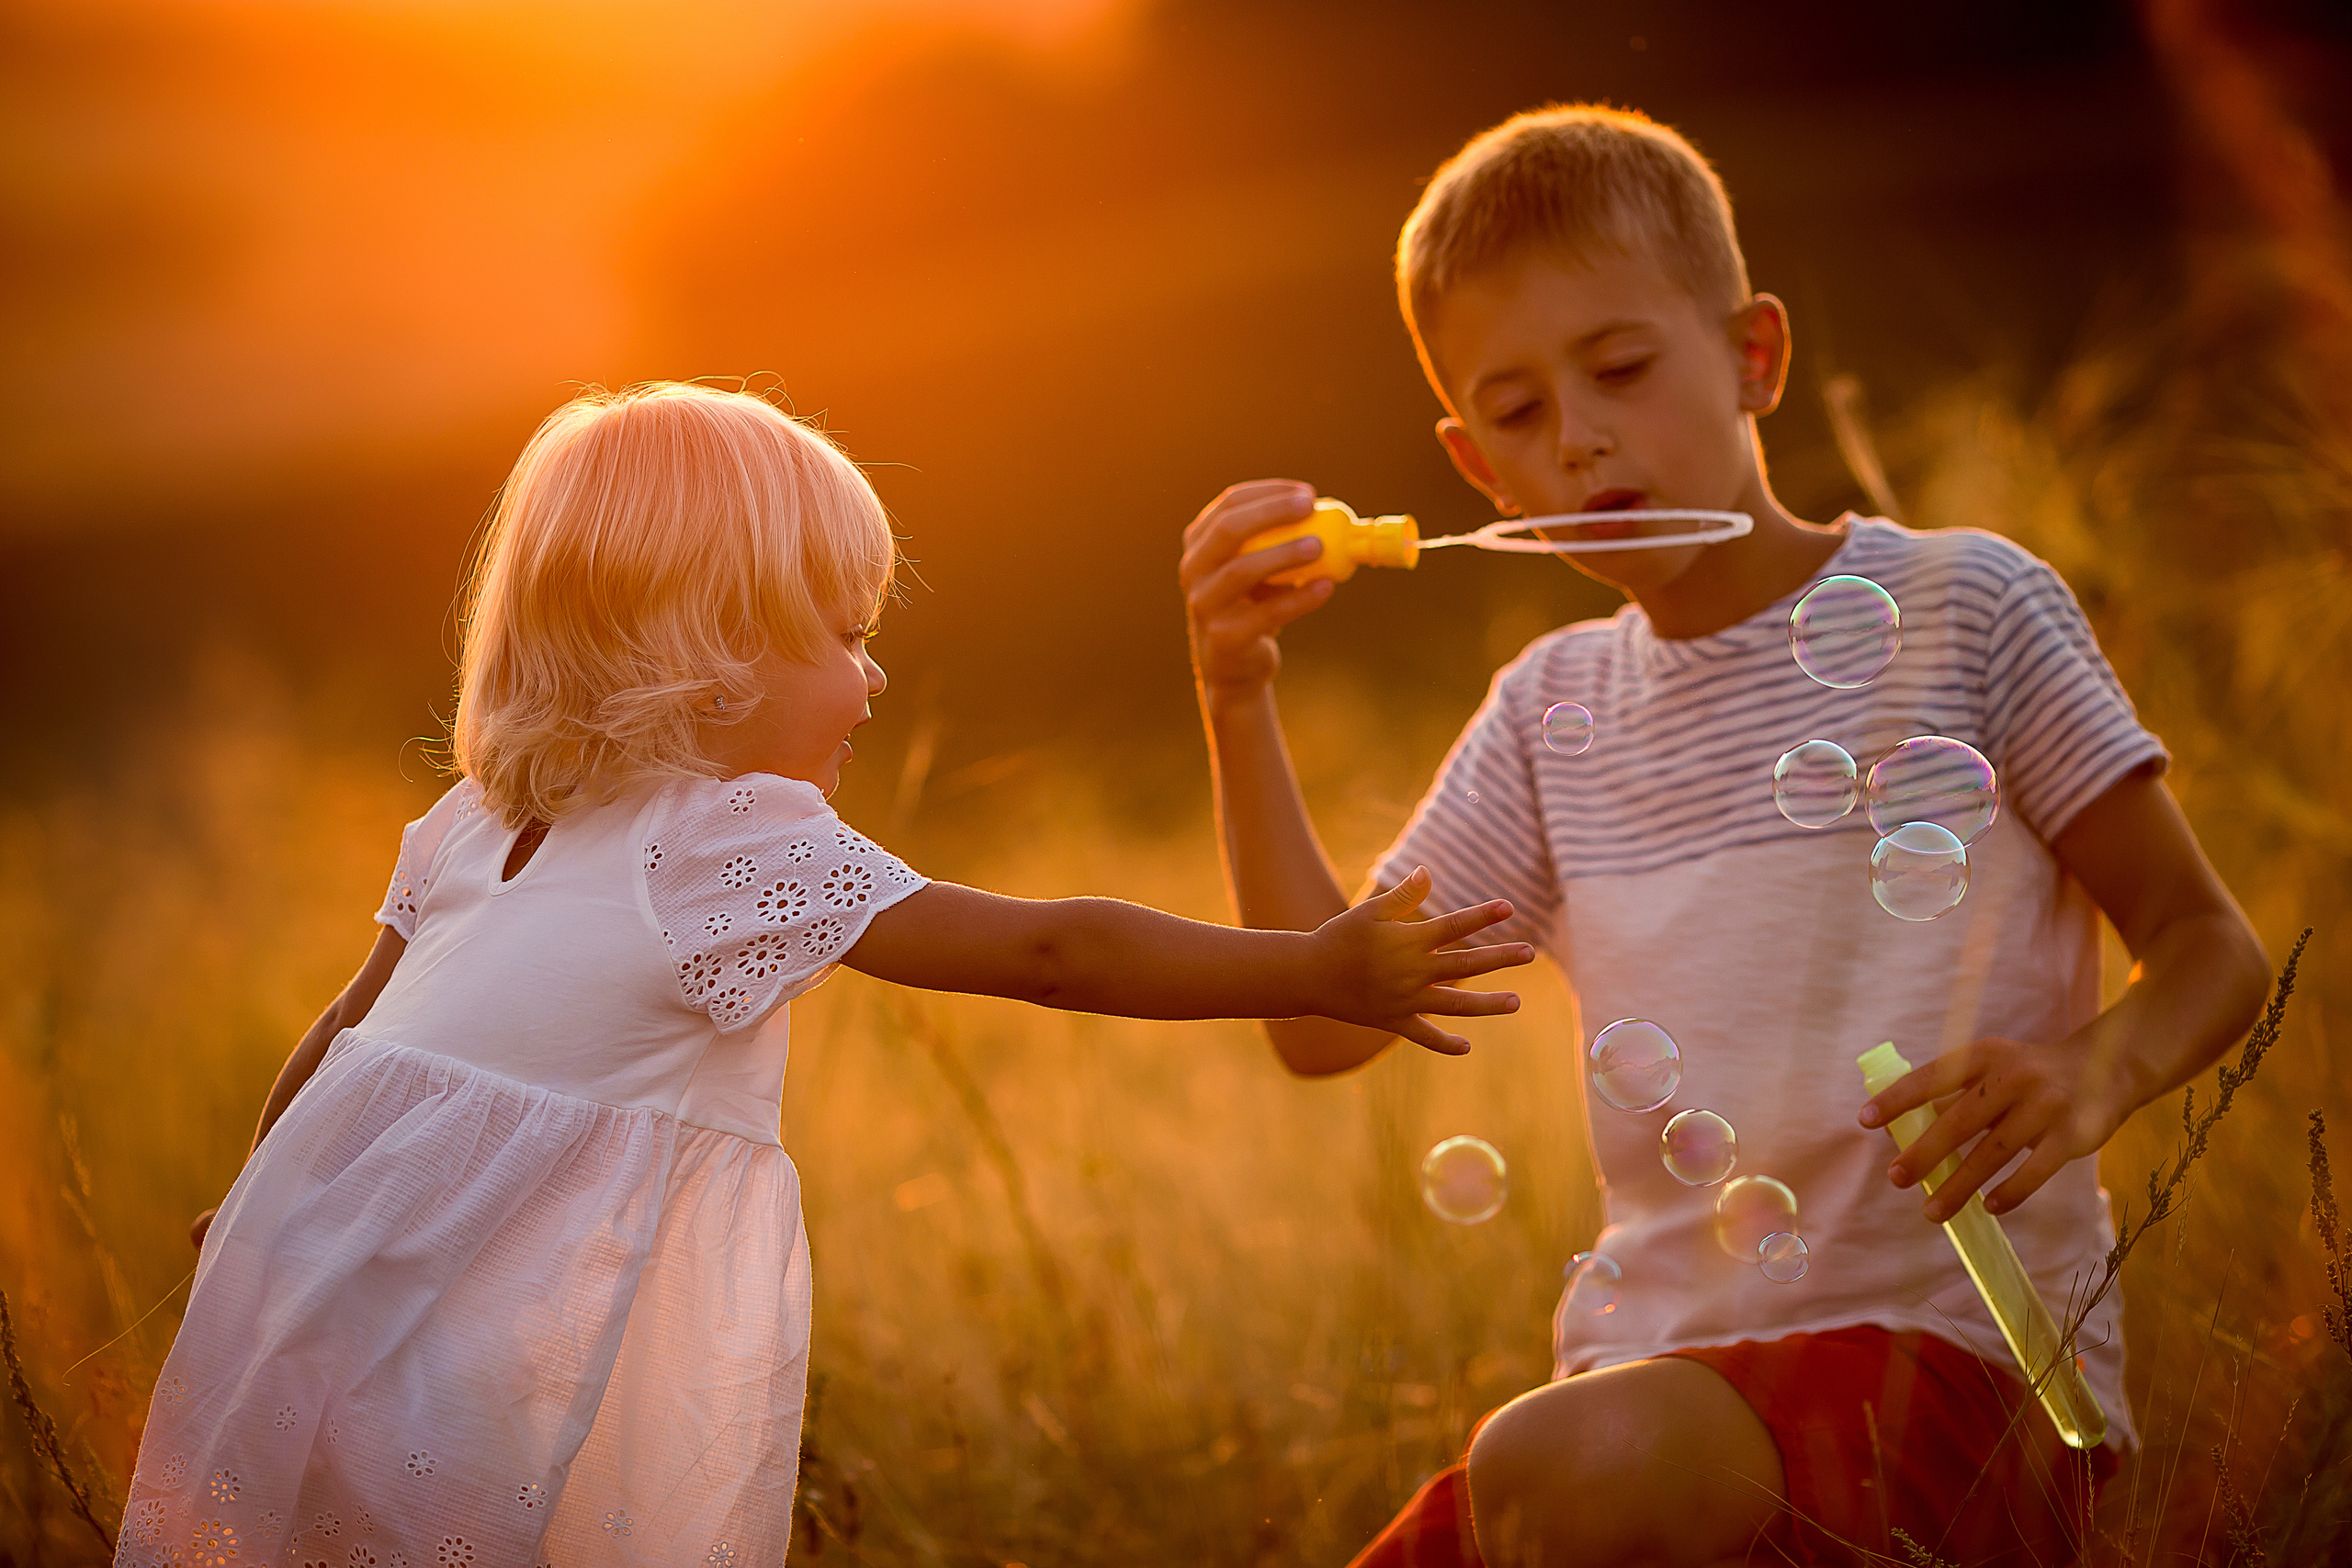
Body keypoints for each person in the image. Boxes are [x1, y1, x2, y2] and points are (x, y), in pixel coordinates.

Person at [123, 382, 1533, 1566]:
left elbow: (346, 1031)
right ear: (715, 653)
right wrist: (1309, 965)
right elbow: (1051, 951)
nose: (874, 681)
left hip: (324, 1313)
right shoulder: (721, 838)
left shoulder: (476, 821)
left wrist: (258, 1209)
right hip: (489, 1368)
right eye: (848, 637)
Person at [1179, 106, 2270, 1566]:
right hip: (1648, 1417)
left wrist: (2092, 1073)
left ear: (1755, 355)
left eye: (1620, 368)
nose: (1579, 435)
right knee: (1553, 1470)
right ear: (1476, 470)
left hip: (1967, 1381)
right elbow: (1320, 1022)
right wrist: (1236, 696)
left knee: (1559, 1463)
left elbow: (2208, 948)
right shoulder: (1547, 712)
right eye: (1518, 414)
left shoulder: (1966, 612)